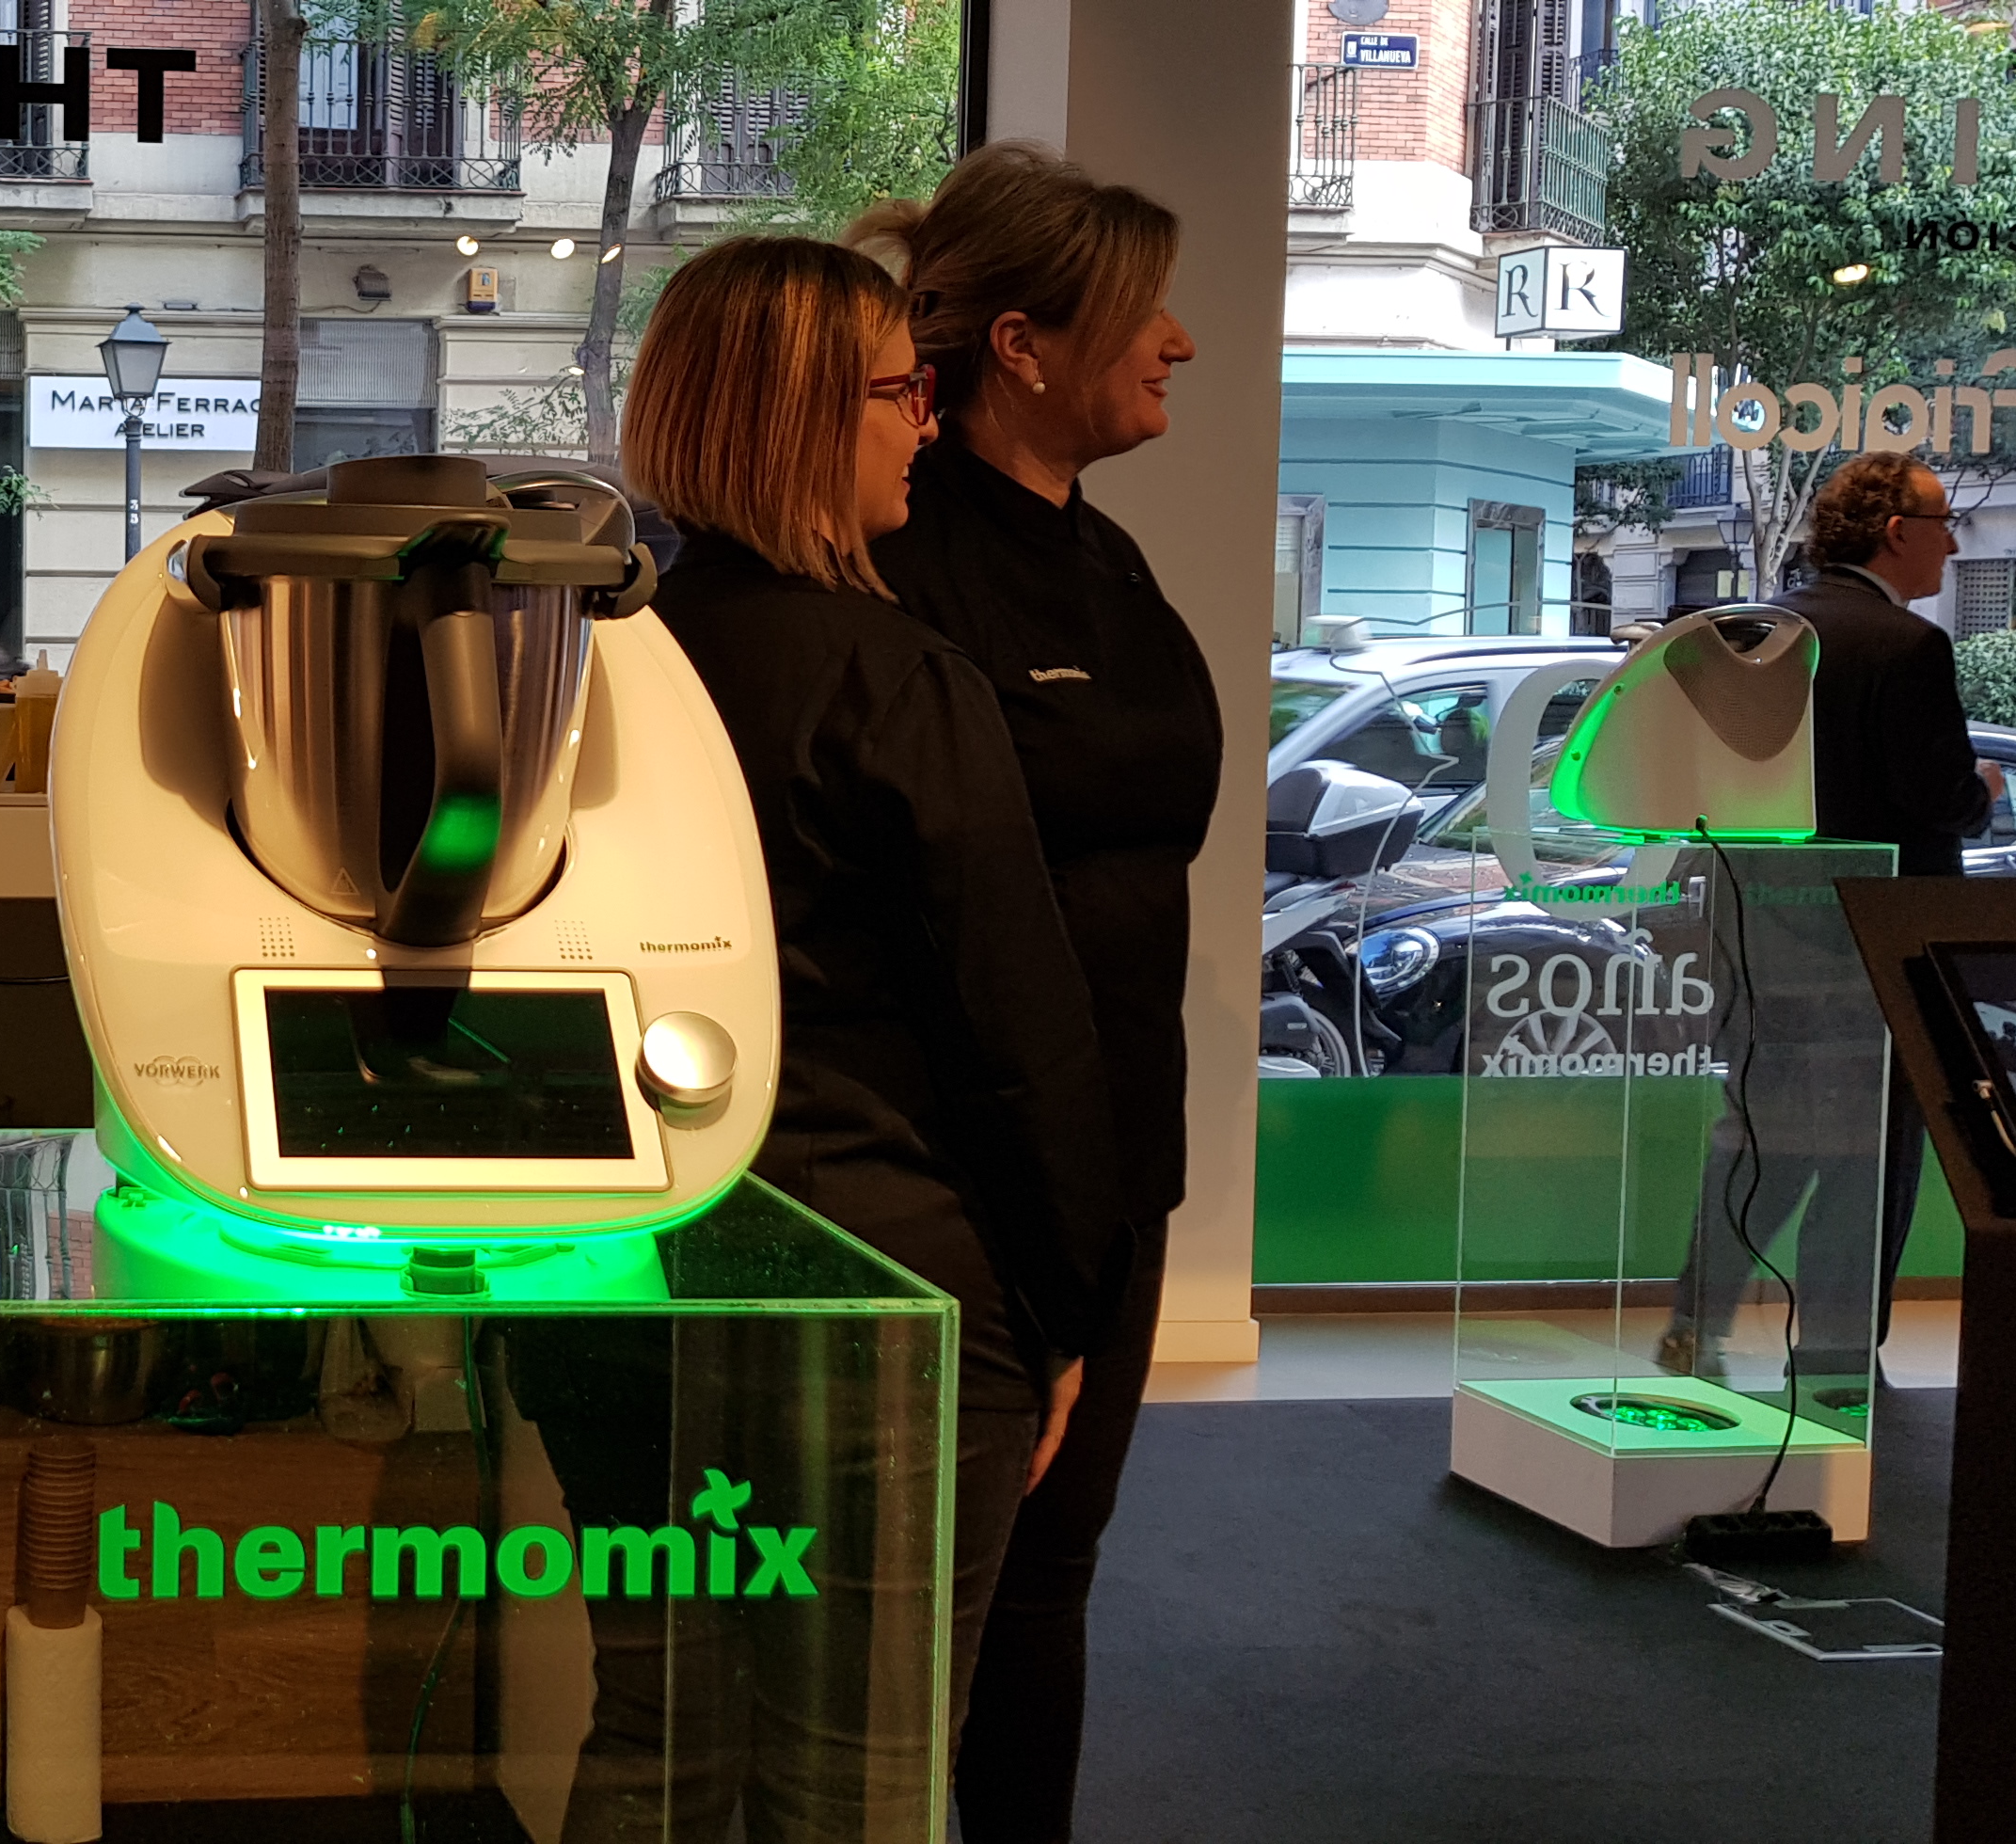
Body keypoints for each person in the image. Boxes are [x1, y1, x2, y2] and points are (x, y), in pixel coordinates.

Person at [558, 231, 1119, 1831]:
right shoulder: (893, 683)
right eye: (900, 392)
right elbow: (1019, 1038)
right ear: (807, 420)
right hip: (879, 1299)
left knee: (650, 1729)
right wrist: (1067, 1308)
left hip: (619, 1283)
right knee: (856, 1775)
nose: (926, 427)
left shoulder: (581, 673)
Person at [838, 142, 1214, 1844]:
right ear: (1021, 347)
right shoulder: (902, 568)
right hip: (964, 1170)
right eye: (1142, 312)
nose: (1179, 342)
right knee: (926, 1609)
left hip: (1119, 1157)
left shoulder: (1109, 562)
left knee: (1050, 1581)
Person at [1661, 452, 1997, 1382]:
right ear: (1895, 532)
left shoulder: (1760, 633)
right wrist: (1983, 791)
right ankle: (1836, 1358)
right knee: (1867, 1164)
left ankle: (1693, 1329)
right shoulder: (1909, 648)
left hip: (1762, 943)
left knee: (1760, 1144)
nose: (1951, 544)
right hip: (1877, 955)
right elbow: (1937, 798)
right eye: (1941, 523)